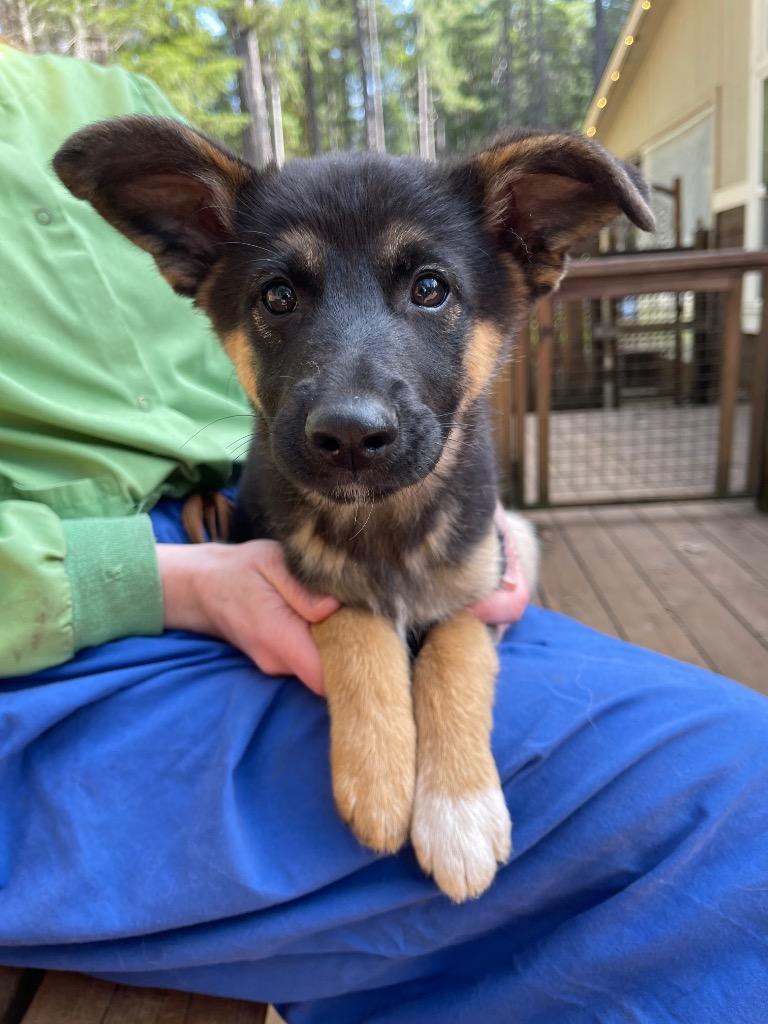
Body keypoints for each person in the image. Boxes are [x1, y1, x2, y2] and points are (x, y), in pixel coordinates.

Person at [1, 42, 766, 1024]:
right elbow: (313, 580)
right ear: (206, 263)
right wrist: (175, 579)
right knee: (728, 808)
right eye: (282, 296)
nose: (355, 402)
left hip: (230, 534)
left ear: (524, 253)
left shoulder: (103, 89)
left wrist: (476, 584)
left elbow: (461, 604)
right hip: (81, 627)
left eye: (430, 289)